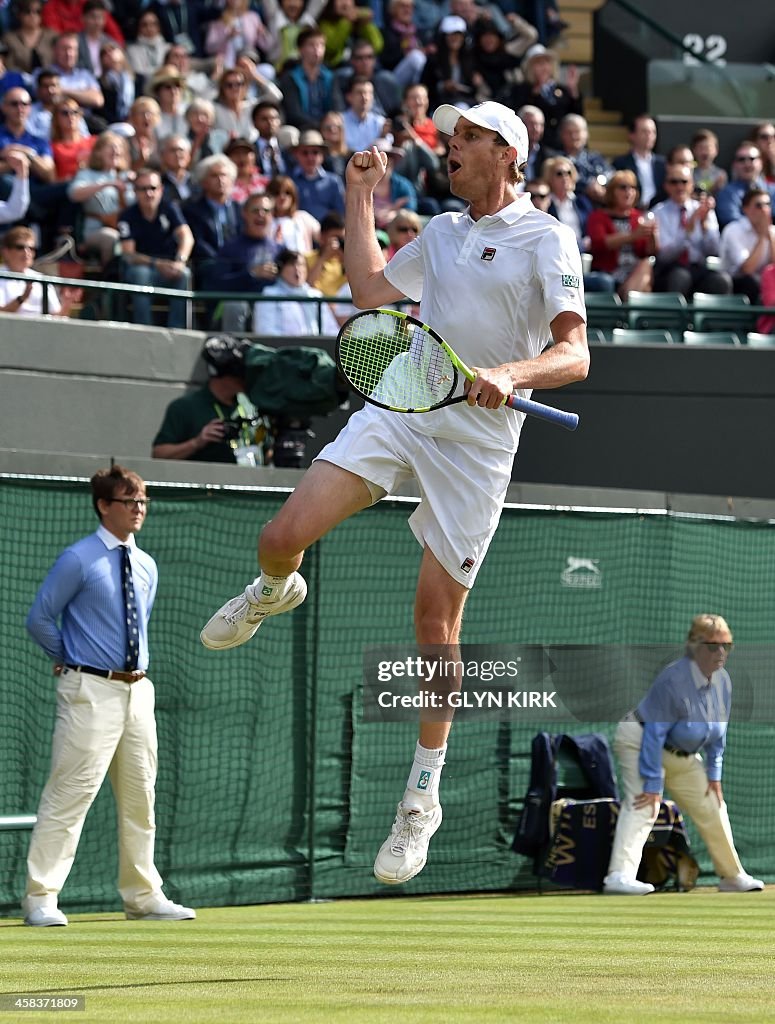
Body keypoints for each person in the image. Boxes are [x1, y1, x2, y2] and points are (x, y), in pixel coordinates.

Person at [199, 100, 589, 886]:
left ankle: (420, 798)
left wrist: (509, 373)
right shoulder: (444, 233)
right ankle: (276, 589)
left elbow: (574, 353)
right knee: (279, 537)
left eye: (469, 139)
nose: (452, 147)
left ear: (507, 154)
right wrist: (358, 195)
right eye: (451, 137)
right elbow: (371, 294)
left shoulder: (547, 237)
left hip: (477, 446)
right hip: (405, 406)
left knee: (433, 622)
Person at [23, 464, 196, 926]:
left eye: (143, 502)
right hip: (88, 690)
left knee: (142, 798)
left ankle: (143, 896)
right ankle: (41, 898)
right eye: (129, 502)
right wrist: (68, 655)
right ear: (104, 506)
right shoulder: (77, 558)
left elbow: (138, 623)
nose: (139, 509)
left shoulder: (146, 565)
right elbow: (40, 617)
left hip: (139, 693)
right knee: (69, 796)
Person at [603, 614, 764, 896]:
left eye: (727, 645)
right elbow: (654, 733)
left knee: (713, 805)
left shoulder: (723, 682)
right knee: (645, 805)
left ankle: (731, 876)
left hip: (683, 755)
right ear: (695, 646)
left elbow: (718, 736)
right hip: (639, 739)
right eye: (713, 646)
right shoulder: (674, 678)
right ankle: (618, 877)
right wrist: (653, 784)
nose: (721, 652)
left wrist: (714, 776)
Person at [152, 334, 261, 463]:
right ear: (225, 374)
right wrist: (197, 442)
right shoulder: (185, 407)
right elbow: (158, 454)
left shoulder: (251, 406)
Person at [117, 166, 194, 328]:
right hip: (141, 267)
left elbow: (187, 237)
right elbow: (129, 255)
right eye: (143, 189)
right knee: (141, 275)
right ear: (135, 191)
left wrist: (180, 261)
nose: (149, 193)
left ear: (161, 189)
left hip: (169, 266)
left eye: (153, 188)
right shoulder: (127, 216)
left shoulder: (170, 208)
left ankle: (178, 330)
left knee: (184, 274)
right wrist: (158, 264)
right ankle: (144, 329)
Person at [650, 163, 731, 299]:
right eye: (674, 182)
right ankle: (674, 320)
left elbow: (714, 250)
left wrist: (704, 226)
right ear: (666, 186)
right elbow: (664, 255)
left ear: (692, 184)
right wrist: (688, 229)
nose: (679, 186)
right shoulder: (658, 213)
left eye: (684, 181)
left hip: (698, 267)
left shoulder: (704, 210)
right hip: (669, 269)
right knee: (680, 277)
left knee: (721, 280)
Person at [67, 129, 134, 267]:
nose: (116, 150)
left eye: (119, 147)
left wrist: (138, 185)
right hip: (96, 230)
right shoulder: (88, 174)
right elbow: (74, 194)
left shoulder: (127, 177)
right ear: (98, 152)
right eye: (111, 146)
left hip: (126, 228)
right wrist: (107, 184)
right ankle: (111, 281)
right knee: (111, 238)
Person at [586, 170, 656, 299]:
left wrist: (653, 235)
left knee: (647, 264)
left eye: (632, 187)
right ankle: (628, 304)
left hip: (634, 274)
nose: (628, 192)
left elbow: (646, 252)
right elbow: (599, 243)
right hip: (609, 272)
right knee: (645, 287)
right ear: (612, 191)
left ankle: (626, 301)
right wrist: (632, 236)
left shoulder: (638, 217)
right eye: (623, 187)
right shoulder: (598, 216)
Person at [504, 44, 582, 150]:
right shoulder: (521, 90)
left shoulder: (561, 90)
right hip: (535, 145)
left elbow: (575, 115)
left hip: (561, 144)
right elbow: (520, 113)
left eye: (546, 62)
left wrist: (573, 91)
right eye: (538, 63)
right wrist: (535, 94)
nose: (543, 67)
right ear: (530, 67)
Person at [254, 246, 339, 335]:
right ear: (281, 269)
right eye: (292, 264)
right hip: (285, 348)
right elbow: (265, 330)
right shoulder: (269, 294)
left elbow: (331, 330)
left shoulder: (316, 296)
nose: (298, 269)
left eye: (301, 265)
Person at [0, 222, 80, 316]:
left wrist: (67, 304)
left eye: (31, 248)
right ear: (5, 251)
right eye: (20, 247)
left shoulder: (42, 279)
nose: (27, 252)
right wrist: (23, 297)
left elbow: (56, 318)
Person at [278, 26, 341, 132]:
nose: (317, 50)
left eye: (321, 45)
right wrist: (319, 127)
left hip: (329, 128)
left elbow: (337, 106)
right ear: (300, 49)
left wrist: (329, 124)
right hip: (303, 129)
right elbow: (294, 113)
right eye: (311, 45)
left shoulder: (330, 77)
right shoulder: (290, 78)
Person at [719, 187, 775, 304]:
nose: (765, 210)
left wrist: (769, 236)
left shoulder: (772, 231)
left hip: (764, 283)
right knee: (752, 281)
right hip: (735, 284)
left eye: (767, 204)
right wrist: (761, 237)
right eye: (759, 205)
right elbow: (748, 269)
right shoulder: (733, 230)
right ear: (746, 209)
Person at [289, 128, 346, 222]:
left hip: (328, 232)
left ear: (322, 155)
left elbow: (340, 213)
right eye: (305, 153)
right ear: (296, 154)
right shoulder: (290, 182)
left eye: (315, 152)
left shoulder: (333, 181)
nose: (310, 157)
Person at [612, 114, 666, 211]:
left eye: (653, 132)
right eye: (644, 131)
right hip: (632, 212)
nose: (649, 136)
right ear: (632, 135)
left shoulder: (663, 164)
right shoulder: (620, 163)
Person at [716, 143, 774, 230]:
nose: (747, 164)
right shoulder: (726, 193)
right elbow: (731, 222)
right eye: (741, 159)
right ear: (734, 165)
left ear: (761, 162)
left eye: (752, 159)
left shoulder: (773, 190)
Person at [265, 174, 320, 251]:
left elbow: (323, 237)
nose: (282, 197)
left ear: (293, 196)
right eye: (277, 193)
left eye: (287, 193)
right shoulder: (264, 220)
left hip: (302, 261)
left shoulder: (303, 217)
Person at [1, 0, 57, 74]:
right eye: (27, 11)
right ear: (19, 14)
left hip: (49, 81)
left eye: (37, 11)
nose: (33, 15)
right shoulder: (8, 39)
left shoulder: (52, 36)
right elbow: (7, 66)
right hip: (18, 82)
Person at [691, 128, 727, 197]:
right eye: (701, 148)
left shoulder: (721, 175)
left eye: (708, 148)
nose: (704, 152)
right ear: (693, 150)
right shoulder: (689, 172)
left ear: (716, 150)